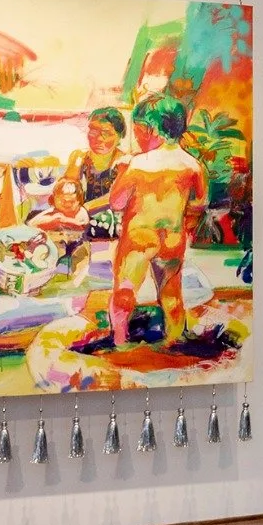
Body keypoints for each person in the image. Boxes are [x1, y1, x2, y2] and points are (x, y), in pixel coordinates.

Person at [108, 96, 206, 347]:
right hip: (172, 237)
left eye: (138, 131)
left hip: (139, 237)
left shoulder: (138, 164)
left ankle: (119, 340)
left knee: (125, 291)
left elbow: (116, 202)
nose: (137, 138)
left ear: (152, 130)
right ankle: (174, 340)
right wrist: (186, 223)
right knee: (171, 294)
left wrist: (121, 172)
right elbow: (199, 202)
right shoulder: (192, 165)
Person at [63, 107, 128, 239]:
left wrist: (85, 208)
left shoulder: (124, 162)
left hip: (111, 220)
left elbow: (115, 198)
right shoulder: (79, 157)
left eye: (106, 133)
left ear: (119, 136)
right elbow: (68, 187)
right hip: (80, 215)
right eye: (93, 131)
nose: (97, 138)